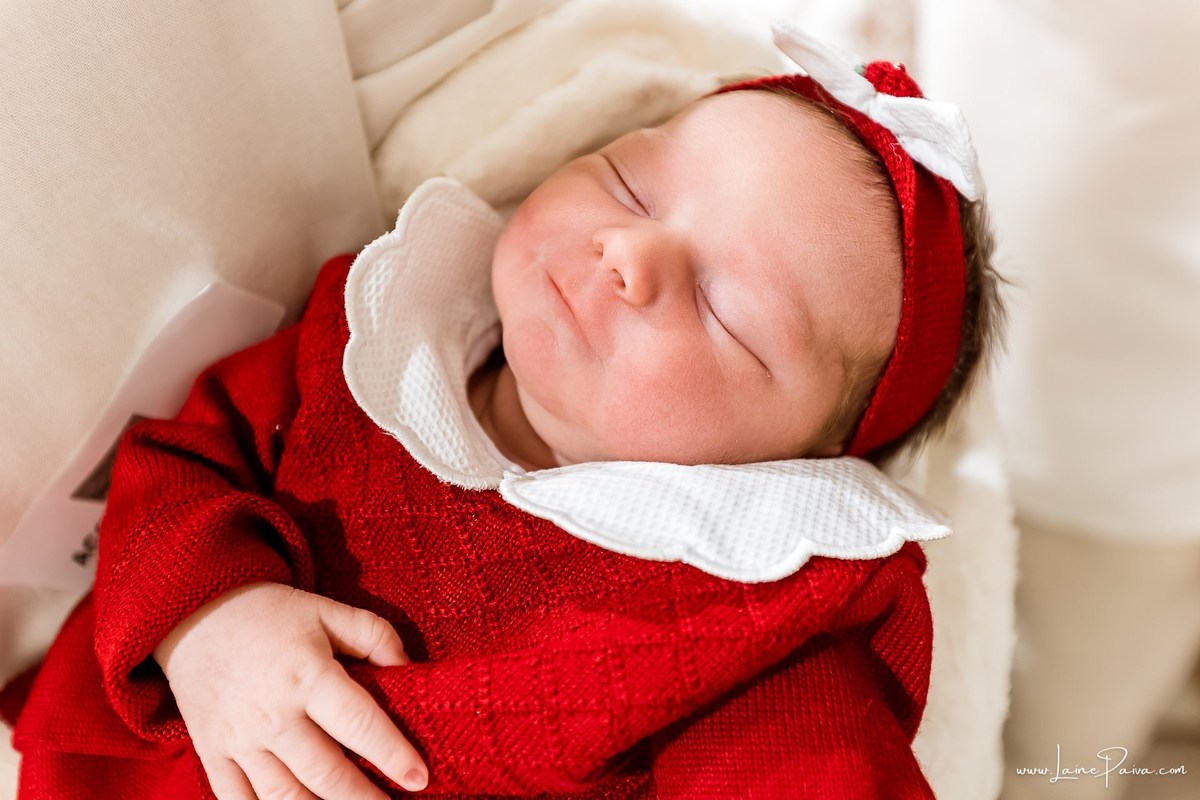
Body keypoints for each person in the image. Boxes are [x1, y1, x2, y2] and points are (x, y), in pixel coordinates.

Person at [0, 26, 1001, 799]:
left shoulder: (750, 633)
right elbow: (180, 463)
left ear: (797, 467)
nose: (627, 252)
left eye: (720, 305)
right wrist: (212, 617)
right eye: (630, 182)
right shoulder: (378, 339)